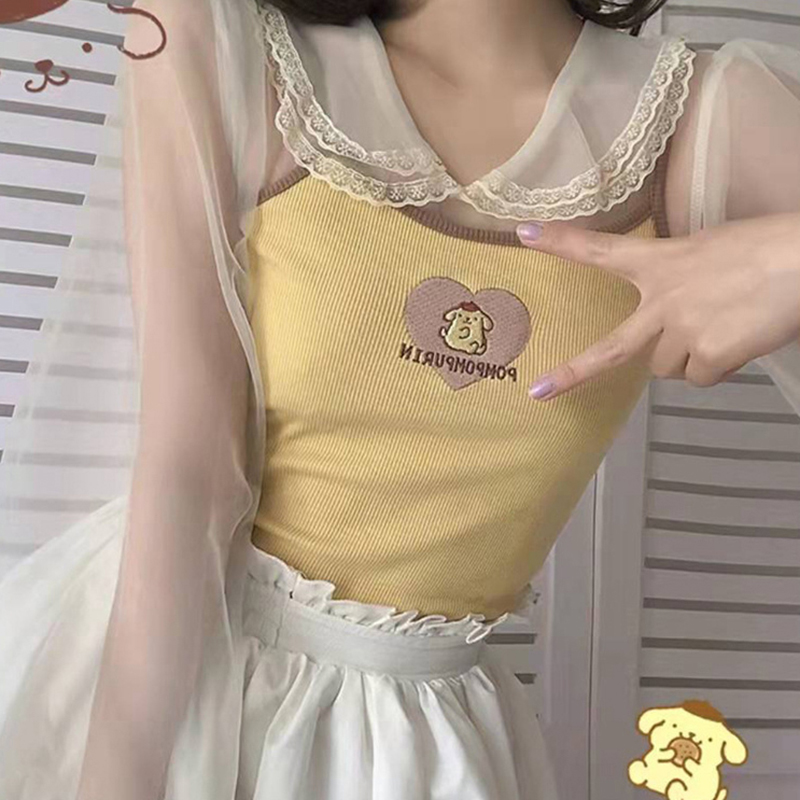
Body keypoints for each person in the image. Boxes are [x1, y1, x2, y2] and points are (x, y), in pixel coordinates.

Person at [0, 0, 798, 798]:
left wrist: (785, 257)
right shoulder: (220, 36)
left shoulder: (706, 117)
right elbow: (190, 469)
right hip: (161, 670)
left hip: (419, 749)